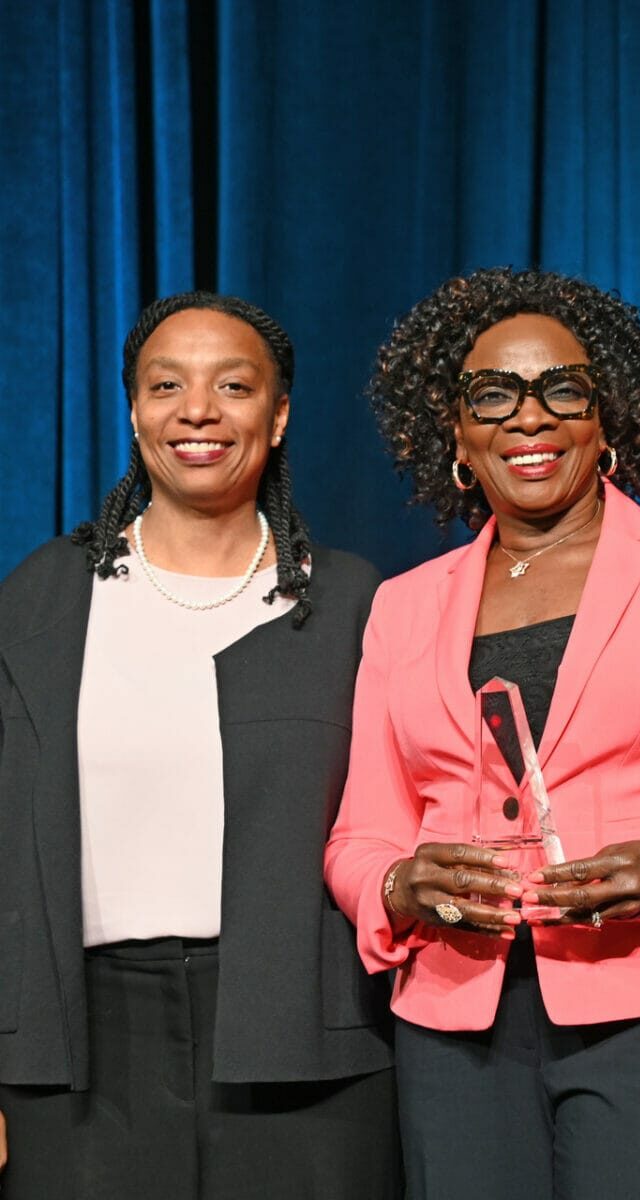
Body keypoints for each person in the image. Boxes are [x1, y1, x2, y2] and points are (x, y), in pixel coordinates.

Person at [324, 266, 640, 1200]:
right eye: (494, 396)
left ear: (610, 420)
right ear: (456, 432)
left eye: (563, 388)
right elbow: (360, 837)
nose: (531, 418)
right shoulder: (402, 607)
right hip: (456, 1022)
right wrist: (399, 884)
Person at [0, 292, 400, 1197]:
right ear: (135, 411)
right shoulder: (42, 599)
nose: (198, 411)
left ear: (280, 412)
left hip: (308, 1042)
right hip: (79, 1053)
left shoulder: (350, 604)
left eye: (234, 386)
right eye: (166, 385)